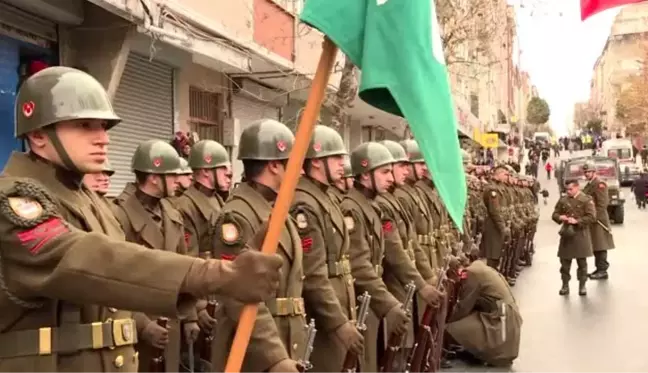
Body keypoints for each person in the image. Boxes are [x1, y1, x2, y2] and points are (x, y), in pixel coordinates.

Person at [0, 66, 283, 372]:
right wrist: (218, 275)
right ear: (39, 135)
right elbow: (86, 260)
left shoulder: (89, 201)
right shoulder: (15, 199)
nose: (102, 139)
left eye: (104, 127)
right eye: (84, 125)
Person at [210, 119, 306, 373]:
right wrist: (274, 358)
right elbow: (236, 294)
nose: (301, 171)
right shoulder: (237, 216)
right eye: (293, 163)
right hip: (254, 352)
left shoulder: (276, 208)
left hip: (283, 337)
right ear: (274, 165)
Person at [111, 140, 200, 373]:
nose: (177, 181)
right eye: (171, 175)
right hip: (133, 328)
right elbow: (112, 279)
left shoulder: (171, 213)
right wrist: (143, 326)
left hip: (170, 322)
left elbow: (185, 268)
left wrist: (190, 316)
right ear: (153, 177)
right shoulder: (118, 216)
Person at [291, 125, 363, 373]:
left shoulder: (325, 197)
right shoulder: (303, 203)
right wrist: (338, 323)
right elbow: (313, 274)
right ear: (317, 161)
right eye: (336, 157)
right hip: (322, 317)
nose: (343, 163)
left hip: (339, 304)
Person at [340, 142, 410, 373]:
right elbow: (359, 264)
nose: (390, 177)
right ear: (365, 174)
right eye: (384, 171)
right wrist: (388, 302)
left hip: (373, 297)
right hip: (363, 299)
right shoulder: (352, 208)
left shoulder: (368, 205)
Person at [445, 247, 522, 367]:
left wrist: (445, 323)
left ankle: (484, 353)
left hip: (500, 317)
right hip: (505, 314)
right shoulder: (480, 267)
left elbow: (464, 307)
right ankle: (478, 351)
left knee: (453, 327)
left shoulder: (470, 272)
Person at [551, 179, 596, 295]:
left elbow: (591, 217)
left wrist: (577, 221)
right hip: (567, 235)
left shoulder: (586, 200)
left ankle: (582, 286)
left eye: (571, 189)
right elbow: (555, 214)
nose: (568, 192)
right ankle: (565, 285)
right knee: (565, 264)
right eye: (567, 189)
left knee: (582, 264)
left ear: (577, 188)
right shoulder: (563, 200)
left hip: (580, 234)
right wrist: (560, 218)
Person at [581, 162, 615, 280]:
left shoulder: (599, 184)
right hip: (592, 219)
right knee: (596, 245)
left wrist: (594, 217)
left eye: (588, 172)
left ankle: (603, 270)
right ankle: (599, 268)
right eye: (585, 172)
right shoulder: (590, 184)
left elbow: (602, 204)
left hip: (598, 220)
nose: (586, 174)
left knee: (601, 244)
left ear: (594, 172)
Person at [481, 165, 511, 270]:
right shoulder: (492, 189)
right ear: (498, 174)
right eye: (505, 174)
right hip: (493, 227)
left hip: (498, 225)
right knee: (493, 257)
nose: (507, 177)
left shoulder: (498, 188)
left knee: (497, 256)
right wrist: (503, 228)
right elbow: (494, 211)